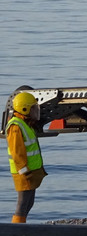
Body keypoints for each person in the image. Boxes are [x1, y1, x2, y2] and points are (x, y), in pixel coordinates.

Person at [6, 92, 47, 223]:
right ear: (25, 109)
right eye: (33, 108)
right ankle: (16, 231)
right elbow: (17, 153)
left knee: (29, 203)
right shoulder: (16, 126)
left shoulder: (25, 123)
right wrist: (24, 171)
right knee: (23, 203)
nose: (36, 111)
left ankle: (21, 226)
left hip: (31, 171)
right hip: (24, 172)